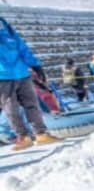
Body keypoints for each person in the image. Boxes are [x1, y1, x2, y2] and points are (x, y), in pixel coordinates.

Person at [0, 16, 60, 151]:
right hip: (2, 77)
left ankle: (41, 134)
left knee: (32, 104)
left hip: (22, 73)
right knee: (11, 108)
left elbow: (22, 47)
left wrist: (35, 65)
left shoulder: (4, 25)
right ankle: (23, 137)